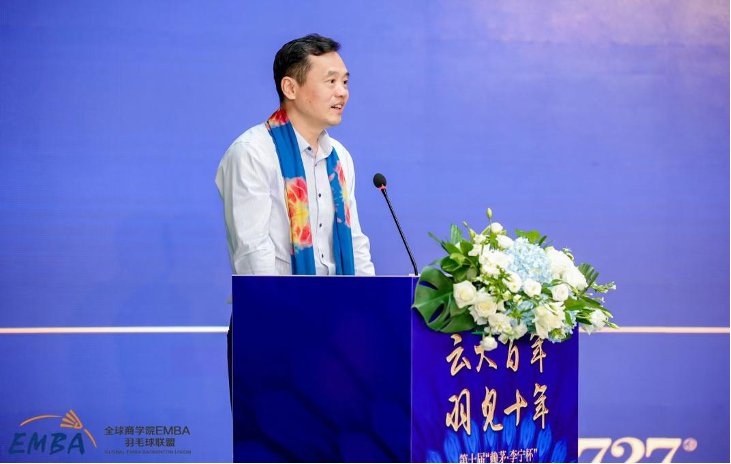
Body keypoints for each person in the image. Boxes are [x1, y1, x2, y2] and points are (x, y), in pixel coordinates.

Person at [215, 34, 376, 405]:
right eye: (330, 81)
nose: (342, 92)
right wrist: (284, 329)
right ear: (290, 87)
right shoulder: (253, 152)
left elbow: (354, 242)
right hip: (272, 324)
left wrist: (370, 311)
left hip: (337, 329)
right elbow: (253, 252)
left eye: (345, 81)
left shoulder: (339, 158)